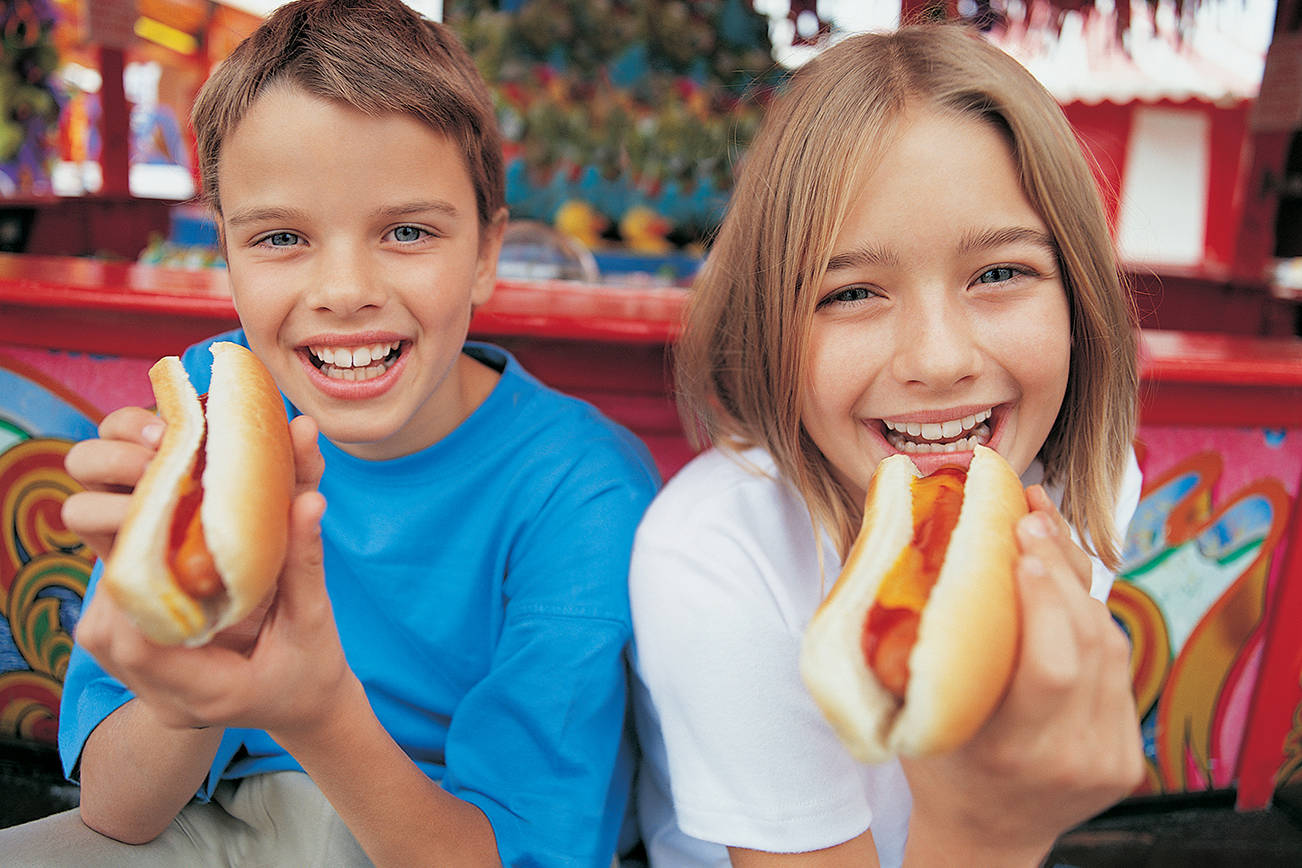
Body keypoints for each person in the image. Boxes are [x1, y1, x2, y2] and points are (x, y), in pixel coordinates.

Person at [0, 1, 659, 866]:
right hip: (217, 821)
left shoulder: (582, 488)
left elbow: (516, 854)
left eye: (408, 231)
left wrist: (314, 707)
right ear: (226, 261)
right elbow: (120, 810)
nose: (344, 289)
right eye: (281, 237)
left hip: (428, 832)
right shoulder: (207, 402)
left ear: (488, 253)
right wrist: (205, 657)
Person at [629, 24, 1146, 867]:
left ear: (1079, 294)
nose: (940, 361)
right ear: (769, 325)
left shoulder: (1091, 471)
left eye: (999, 274)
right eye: (853, 292)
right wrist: (995, 832)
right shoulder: (714, 556)